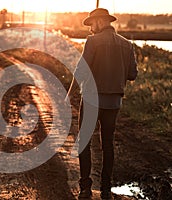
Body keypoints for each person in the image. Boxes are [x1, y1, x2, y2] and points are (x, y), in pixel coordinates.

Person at [67, 8, 138, 199]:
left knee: (85, 142)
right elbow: (132, 74)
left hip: (91, 99)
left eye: (92, 24)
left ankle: (85, 188)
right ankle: (106, 189)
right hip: (114, 101)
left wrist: (69, 94)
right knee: (108, 143)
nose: (91, 29)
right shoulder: (127, 44)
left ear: (100, 21)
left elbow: (81, 71)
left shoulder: (92, 41)